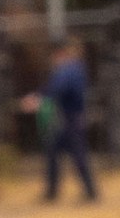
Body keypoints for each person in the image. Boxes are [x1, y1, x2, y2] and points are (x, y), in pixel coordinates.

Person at [33, 30, 98, 200]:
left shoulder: (70, 69)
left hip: (70, 119)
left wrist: (39, 98)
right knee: (56, 152)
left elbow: (56, 89)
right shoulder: (75, 68)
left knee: (76, 155)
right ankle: (55, 192)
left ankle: (88, 192)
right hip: (68, 119)